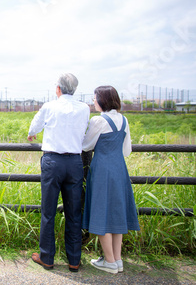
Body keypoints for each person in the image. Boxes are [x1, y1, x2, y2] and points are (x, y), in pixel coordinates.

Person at [27, 73, 90, 272]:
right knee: (74, 212)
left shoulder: (49, 106)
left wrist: (32, 134)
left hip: (53, 161)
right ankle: (74, 260)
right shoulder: (84, 108)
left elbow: (35, 125)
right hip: (74, 162)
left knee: (48, 211)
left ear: (58, 89)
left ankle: (46, 257)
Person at [82, 85, 140, 274]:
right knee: (116, 212)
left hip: (102, 171)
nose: (93, 101)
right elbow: (126, 150)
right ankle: (117, 259)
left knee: (101, 211)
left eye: (94, 98)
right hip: (119, 169)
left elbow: (86, 145)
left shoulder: (98, 121)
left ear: (102, 100)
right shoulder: (124, 120)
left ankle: (108, 261)